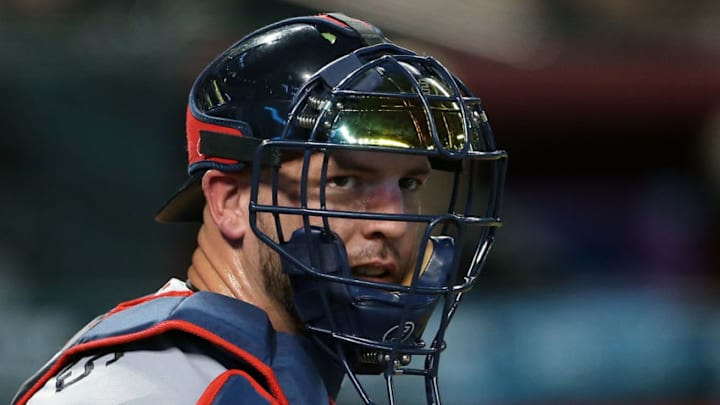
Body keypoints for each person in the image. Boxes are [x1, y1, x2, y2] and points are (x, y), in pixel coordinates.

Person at [12, 12, 507, 405]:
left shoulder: (246, 371)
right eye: (345, 181)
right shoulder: (158, 388)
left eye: (410, 182)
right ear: (228, 202)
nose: (390, 223)